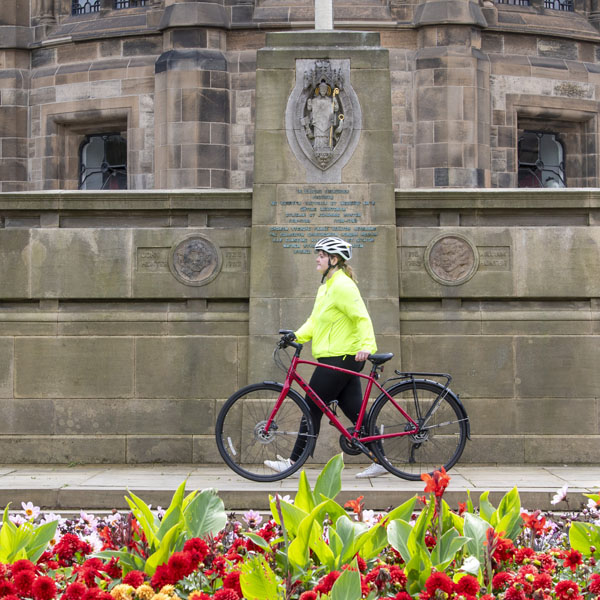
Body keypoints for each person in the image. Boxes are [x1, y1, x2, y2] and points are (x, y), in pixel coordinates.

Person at [264, 236, 388, 479]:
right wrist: (295, 337)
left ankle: (291, 462)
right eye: (318, 255)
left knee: (311, 407)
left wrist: (367, 346)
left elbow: (361, 317)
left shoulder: (343, 286)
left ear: (334, 260)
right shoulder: (326, 288)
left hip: (341, 357)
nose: (317, 259)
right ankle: (381, 461)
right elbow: (314, 322)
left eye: (321, 255)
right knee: (354, 411)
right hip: (336, 358)